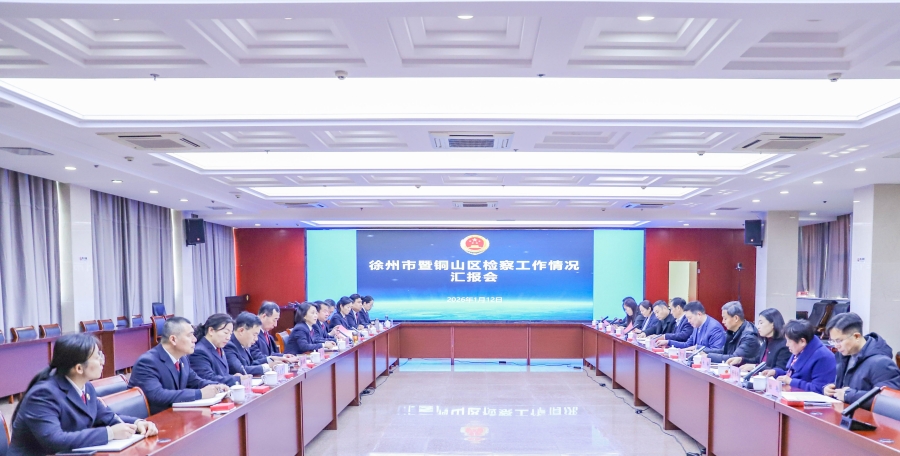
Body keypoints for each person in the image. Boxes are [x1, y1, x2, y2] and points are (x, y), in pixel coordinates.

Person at [8, 334, 158, 456]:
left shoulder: (86, 387)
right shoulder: (43, 395)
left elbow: (107, 416)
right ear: (79, 368)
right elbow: (55, 440)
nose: (102, 361)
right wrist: (110, 433)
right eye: (97, 357)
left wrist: (137, 423)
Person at [129, 317, 229, 414]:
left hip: (175, 414)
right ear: (173, 339)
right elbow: (157, 395)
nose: (194, 339)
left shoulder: (182, 358)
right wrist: (200, 394)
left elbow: (196, 381)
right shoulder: (147, 362)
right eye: (189, 335)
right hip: (152, 420)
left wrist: (217, 386)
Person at [824, 312, 900, 408]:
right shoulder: (844, 356)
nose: (836, 346)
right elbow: (849, 387)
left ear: (856, 336)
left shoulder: (881, 363)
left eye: (839, 341)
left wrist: (849, 395)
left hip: (865, 416)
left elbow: (888, 401)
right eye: (833, 341)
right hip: (846, 413)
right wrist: (831, 390)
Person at [761, 319, 835, 393]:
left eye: (789, 341)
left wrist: (792, 382)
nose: (787, 344)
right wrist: (776, 372)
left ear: (802, 341)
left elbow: (819, 388)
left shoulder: (823, 357)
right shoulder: (800, 349)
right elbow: (794, 374)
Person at [189, 313, 241, 386]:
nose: (228, 338)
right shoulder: (199, 351)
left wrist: (232, 377)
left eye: (230, 334)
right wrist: (236, 379)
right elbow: (208, 378)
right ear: (211, 330)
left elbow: (222, 374)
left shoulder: (219, 348)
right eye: (226, 333)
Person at [656, 301, 726, 350]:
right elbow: (687, 344)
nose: (688, 321)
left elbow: (717, 351)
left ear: (699, 314)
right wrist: (668, 342)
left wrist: (696, 348)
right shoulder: (697, 325)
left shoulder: (714, 328)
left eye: (690, 318)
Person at [225, 311, 279, 376]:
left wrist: (270, 359)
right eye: (254, 334)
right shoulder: (228, 345)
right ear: (241, 331)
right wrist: (268, 367)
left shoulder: (243, 343)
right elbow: (240, 370)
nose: (256, 339)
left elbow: (250, 364)